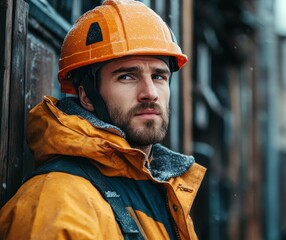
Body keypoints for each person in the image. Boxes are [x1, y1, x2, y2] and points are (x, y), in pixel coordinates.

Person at [0, 0, 206, 239]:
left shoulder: (162, 191)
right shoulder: (57, 204)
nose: (150, 92)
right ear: (87, 96)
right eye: (127, 76)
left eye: (159, 76)